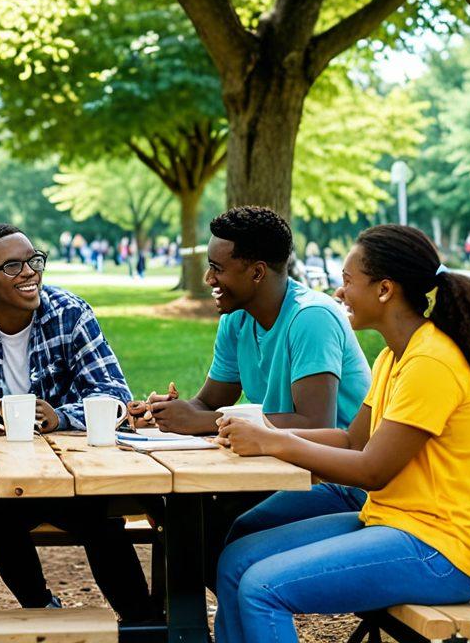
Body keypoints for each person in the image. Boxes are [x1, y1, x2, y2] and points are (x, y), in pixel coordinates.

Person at [213, 224, 470, 643]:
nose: (339, 292)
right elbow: (352, 440)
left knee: (262, 588)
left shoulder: (431, 363)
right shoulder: (394, 354)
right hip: (390, 523)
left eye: (348, 281)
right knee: (235, 562)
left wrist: (274, 441)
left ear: (385, 289)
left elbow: (371, 471)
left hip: (441, 550)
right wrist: (261, 428)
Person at [0, 222, 154, 621]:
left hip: (70, 475)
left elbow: (114, 396)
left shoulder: (69, 314)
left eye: (34, 260)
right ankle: (41, 608)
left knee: (102, 517)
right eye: (12, 266)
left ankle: (145, 623)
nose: (29, 272)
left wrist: (60, 417)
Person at [127, 207, 372, 575]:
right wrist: (166, 413)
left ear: (257, 272)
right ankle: (176, 629)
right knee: (183, 523)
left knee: (217, 532)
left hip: (338, 479)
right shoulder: (237, 319)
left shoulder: (311, 318)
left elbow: (314, 422)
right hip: (279, 467)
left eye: (218, 268)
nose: (208, 277)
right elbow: (209, 403)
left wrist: (205, 421)